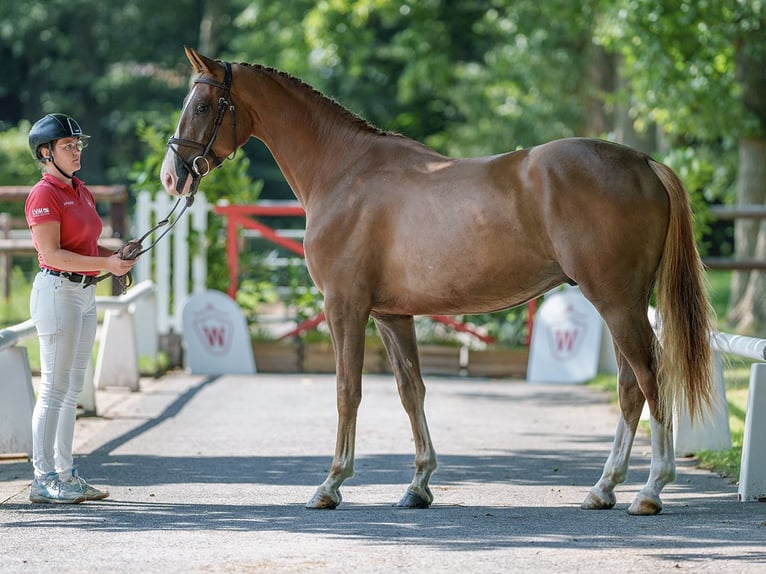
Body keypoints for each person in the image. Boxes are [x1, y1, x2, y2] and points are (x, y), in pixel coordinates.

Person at [25, 113, 138, 504]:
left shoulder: (81, 191)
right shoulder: (44, 195)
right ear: (46, 152)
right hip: (57, 293)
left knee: (71, 388)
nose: (76, 152)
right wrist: (105, 265)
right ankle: (43, 478)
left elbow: (88, 251)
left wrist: (115, 256)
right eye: (67, 146)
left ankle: (66, 472)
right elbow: (52, 253)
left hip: (84, 293)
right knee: (54, 389)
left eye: (78, 145)